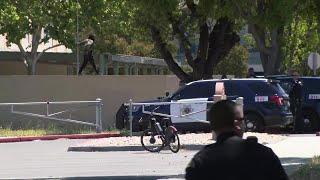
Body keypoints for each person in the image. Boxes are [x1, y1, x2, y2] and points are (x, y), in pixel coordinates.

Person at [185, 100, 288, 180]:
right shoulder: (264, 154)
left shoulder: (200, 161)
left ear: (212, 126)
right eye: (243, 120)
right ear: (237, 124)